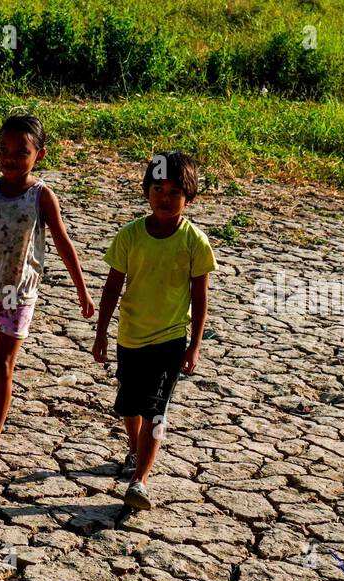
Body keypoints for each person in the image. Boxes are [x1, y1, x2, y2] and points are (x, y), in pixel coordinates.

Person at [0, 115, 95, 477]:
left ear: (38, 155)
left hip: (17, 294)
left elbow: (62, 242)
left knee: (2, 365)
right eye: (3, 150)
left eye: (20, 152)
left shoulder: (41, 196)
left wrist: (81, 288)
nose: (10, 158)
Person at [92, 150, 216, 511]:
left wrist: (194, 346)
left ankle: (140, 480)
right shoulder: (129, 236)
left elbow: (200, 296)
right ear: (146, 191)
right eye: (158, 189)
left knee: (156, 408)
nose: (165, 198)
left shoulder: (195, 242)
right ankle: (134, 449)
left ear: (189, 199)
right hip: (130, 336)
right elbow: (112, 287)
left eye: (175, 192)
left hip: (170, 340)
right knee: (131, 403)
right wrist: (100, 334)